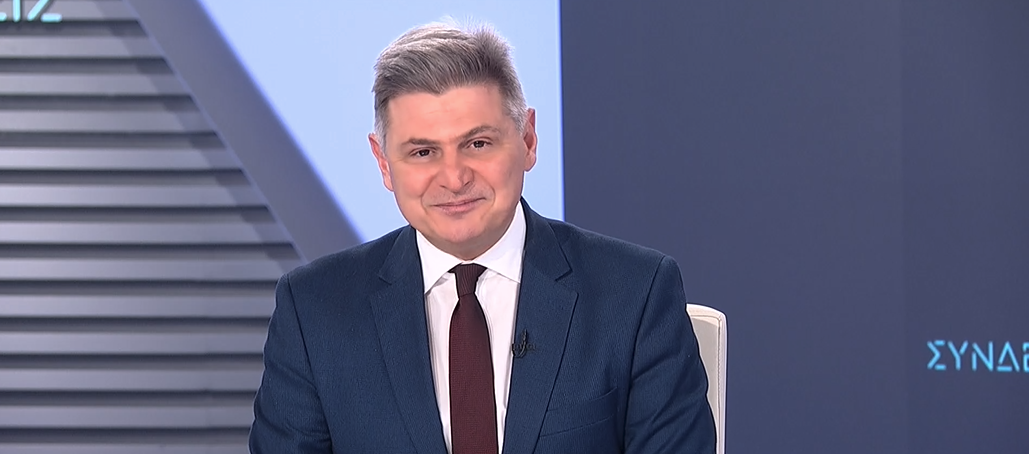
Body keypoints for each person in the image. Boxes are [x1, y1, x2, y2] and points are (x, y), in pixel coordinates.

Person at [249, 20, 715, 454]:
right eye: (423, 152)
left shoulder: (635, 294)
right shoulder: (314, 311)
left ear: (528, 139)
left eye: (477, 144)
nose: (454, 178)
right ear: (383, 163)